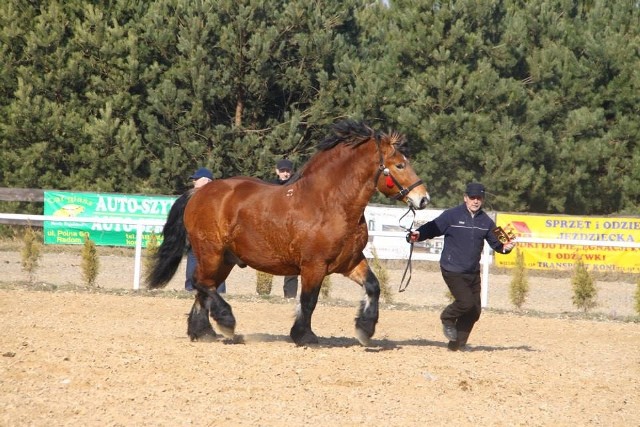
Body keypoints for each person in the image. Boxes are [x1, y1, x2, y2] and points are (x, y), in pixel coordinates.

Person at [409, 182, 516, 351]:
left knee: (474, 311)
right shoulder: (451, 215)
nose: (475, 201)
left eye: (478, 198)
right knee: (466, 303)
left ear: (482, 200)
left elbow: (498, 244)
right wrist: (419, 234)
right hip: (452, 269)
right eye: (472, 198)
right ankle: (447, 317)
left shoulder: (486, 222)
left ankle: (457, 346)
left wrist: (506, 248)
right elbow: (433, 227)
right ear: (465, 198)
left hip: (472, 271)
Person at [184, 167, 227, 293]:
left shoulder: (196, 196)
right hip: (207, 234)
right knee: (216, 261)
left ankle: (191, 287)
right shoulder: (218, 196)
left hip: (204, 234)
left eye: (196, 179)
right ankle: (218, 289)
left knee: (197, 258)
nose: (194, 182)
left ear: (206, 181)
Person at [272, 159, 299, 298]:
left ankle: (290, 296)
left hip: (290, 229)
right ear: (277, 171)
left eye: (288, 171)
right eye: (282, 171)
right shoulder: (270, 186)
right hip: (272, 228)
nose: (285, 174)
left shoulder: (296, 186)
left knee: (292, 263)